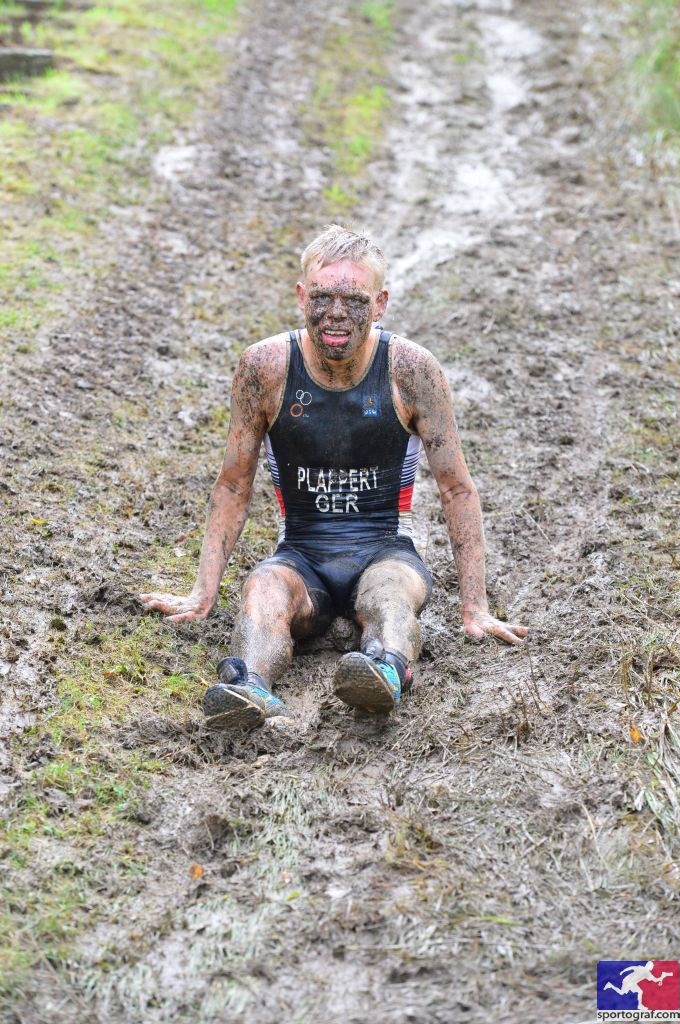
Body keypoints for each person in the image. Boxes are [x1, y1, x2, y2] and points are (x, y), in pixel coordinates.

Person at [140, 225, 528, 729]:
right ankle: (249, 687)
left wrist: (475, 607)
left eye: (354, 300)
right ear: (302, 297)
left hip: (386, 552)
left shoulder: (411, 370)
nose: (336, 314)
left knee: (389, 594)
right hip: (302, 557)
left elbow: (456, 487)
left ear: (380, 303)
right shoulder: (265, 368)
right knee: (262, 586)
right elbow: (234, 483)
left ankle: (385, 670)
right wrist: (202, 592)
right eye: (322, 297)